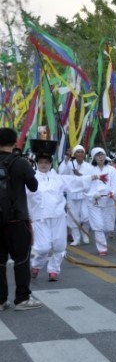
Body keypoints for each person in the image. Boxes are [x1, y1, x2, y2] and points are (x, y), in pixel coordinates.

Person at [28, 149, 100, 281]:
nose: (44, 165)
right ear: (37, 163)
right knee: (43, 247)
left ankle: (53, 270)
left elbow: (75, 181)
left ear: (50, 164)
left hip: (58, 216)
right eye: (41, 162)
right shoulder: (30, 179)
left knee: (59, 246)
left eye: (46, 162)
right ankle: (36, 266)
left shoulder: (58, 178)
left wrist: (91, 178)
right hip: (40, 217)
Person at [0, 128, 41, 311]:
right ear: (15, 142)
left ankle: (1, 300)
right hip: (17, 219)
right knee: (22, 259)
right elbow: (34, 186)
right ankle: (22, 298)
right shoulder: (21, 163)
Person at [86, 147, 116, 256]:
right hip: (94, 202)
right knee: (98, 226)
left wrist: (113, 192)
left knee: (107, 227)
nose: (100, 157)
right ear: (94, 157)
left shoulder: (112, 170)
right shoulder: (89, 170)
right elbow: (85, 186)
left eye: (101, 155)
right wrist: (93, 195)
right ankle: (102, 248)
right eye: (97, 155)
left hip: (108, 202)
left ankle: (102, 241)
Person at [58, 145, 93, 245]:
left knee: (85, 216)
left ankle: (85, 233)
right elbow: (62, 173)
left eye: (82, 152)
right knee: (73, 217)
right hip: (72, 194)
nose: (80, 154)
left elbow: (91, 179)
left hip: (84, 194)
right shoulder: (69, 164)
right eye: (78, 152)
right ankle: (76, 238)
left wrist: (80, 175)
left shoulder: (89, 166)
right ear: (74, 154)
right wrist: (67, 160)